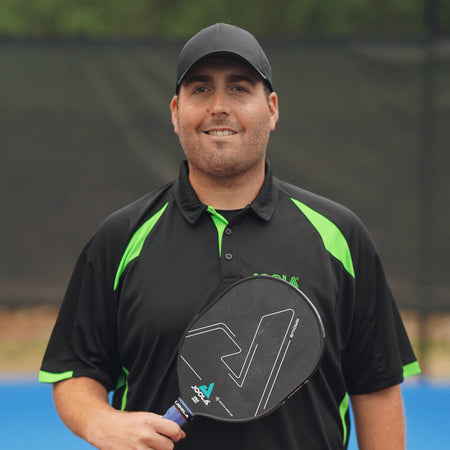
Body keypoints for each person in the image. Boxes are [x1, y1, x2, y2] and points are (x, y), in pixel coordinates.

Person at [40, 23, 420, 449]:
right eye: (200, 90)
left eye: (239, 88)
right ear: (175, 111)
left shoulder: (340, 236)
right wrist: (100, 422)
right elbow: (75, 371)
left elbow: (377, 387)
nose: (219, 106)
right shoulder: (120, 238)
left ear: (272, 109)